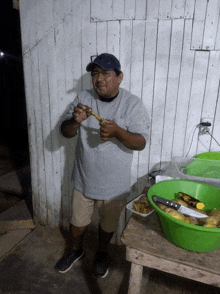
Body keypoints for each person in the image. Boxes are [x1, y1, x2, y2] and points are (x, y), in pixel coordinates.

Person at [56, 53, 150, 278]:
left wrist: (118, 132)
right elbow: (65, 132)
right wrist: (75, 122)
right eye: (95, 74)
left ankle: (102, 253)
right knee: (77, 222)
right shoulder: (83, 98)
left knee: (108, 226)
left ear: (119, 77)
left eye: (106, 74)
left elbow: (141, 142)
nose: (99, 79)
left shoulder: (132, 104)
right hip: (84, 177)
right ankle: (76, 250)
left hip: (114, 183)